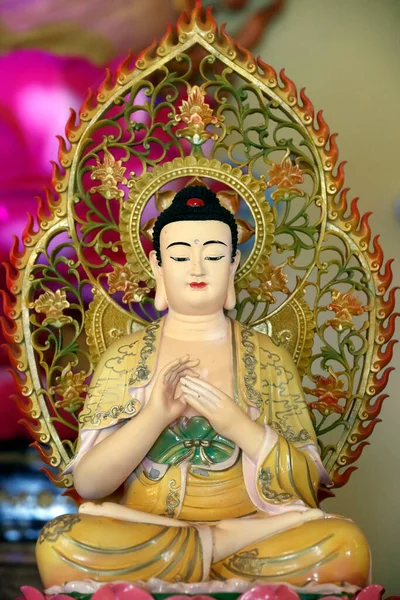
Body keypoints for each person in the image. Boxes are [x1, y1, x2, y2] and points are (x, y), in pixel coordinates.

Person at [36, 186, 370, 588]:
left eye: (212, 256)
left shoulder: (268, 359)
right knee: (61, 540)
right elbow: (89, 484)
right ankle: (213, 549)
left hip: (252, 534)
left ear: (232, 266)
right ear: (158, 268)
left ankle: (204, 554)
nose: (197, 269)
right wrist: (155, 416)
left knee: (346, 546)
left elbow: (305, 485)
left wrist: (237, 425)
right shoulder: (124, 359)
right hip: (151, 533)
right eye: (179, 256)